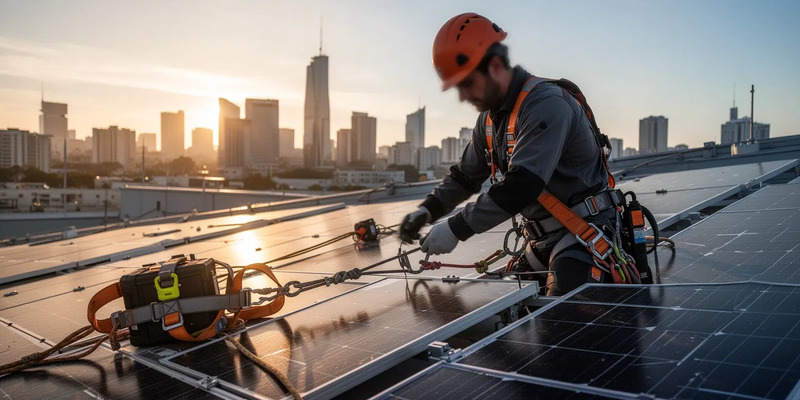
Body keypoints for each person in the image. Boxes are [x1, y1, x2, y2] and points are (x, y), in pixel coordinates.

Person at [399, 13, 624, 296]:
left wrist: (456, 229)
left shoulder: (546, 104)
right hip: (540, 241)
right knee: (506, 315)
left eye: (466, 84)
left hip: (582, 234)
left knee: (564, 319)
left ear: (494, 66)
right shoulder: (490, 120)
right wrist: (427, 210)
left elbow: (522, 186)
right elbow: (465, 176)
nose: (462, 97)